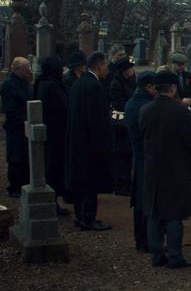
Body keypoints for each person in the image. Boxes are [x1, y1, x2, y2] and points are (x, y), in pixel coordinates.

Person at [140, 70, 191, 268]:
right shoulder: (180, 111)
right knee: (174, 214)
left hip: (152, 167)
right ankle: (175, 255)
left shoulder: (145, 110)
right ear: (173, 88)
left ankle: (157, 255)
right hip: (175, 167)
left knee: (154, 212)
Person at [66, 51, 114, 231]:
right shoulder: (93, 86)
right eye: (105, 66)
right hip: (89, 144)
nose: (107, 70)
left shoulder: (79, 83)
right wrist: (102, 145)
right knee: (90, 183)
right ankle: (89, 218)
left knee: (81, 182)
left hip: (78, 141)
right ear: (99, 66)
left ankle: (81, 215)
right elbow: (96, 120)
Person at [124, 70, 156, 252]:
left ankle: (141, 238)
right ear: (148, 87)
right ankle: (146, 239)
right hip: (147, 157)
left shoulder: (132, 103)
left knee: (140, 200)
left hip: (138, 156)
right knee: (146, 200)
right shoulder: (145, 106)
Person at [35, 56, 69, 214]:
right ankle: (53, 202)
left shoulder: (42, 82)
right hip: (56, 132)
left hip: (51, 131)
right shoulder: (52, 86)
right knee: (53, 168)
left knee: (51, 166)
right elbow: (62, 107)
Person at [0, 57, 33, 198]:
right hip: (16, 127)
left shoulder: (25, 83)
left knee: (25, 156)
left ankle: (23, 183)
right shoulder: (9, 85)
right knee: (16, 157)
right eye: (26, 68)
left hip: (25, 125)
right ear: (17, 69)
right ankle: (14, 186)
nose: (29, 71)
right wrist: (22, 119)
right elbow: (10, 109)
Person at [109, 56, 136, 196]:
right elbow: (119, 105)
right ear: (124, 71)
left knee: (127, 155)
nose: (132, 70)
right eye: (130, 68)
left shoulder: (130, 82)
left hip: (127, 123)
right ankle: (120, 184)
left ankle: (126, 182)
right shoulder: (116, 84)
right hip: (119, 124)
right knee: (121, 156)